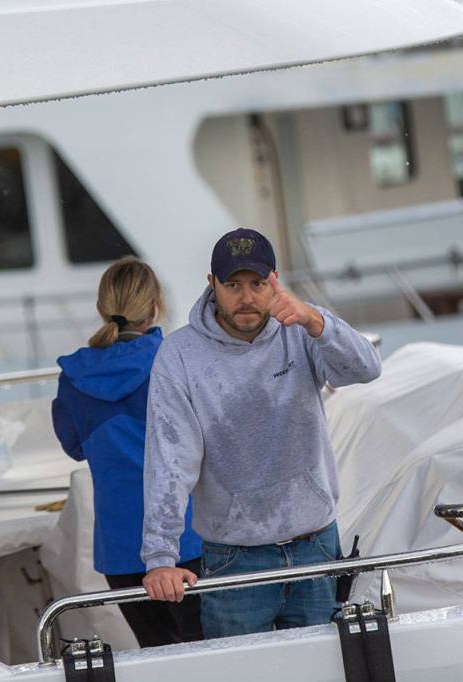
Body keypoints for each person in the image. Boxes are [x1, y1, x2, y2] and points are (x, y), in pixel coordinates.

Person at [140, 228, 381, 638]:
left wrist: (315, 320)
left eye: (257, 283)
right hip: (235, 558)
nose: (246, 297)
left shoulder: (303, 327)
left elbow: (367, 369)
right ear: (211, 284)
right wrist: (161, 556)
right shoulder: (178, 355)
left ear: (275, 281)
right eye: (233, 284)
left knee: (323, 672)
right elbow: (169, 460)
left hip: (317, 547)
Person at [52, 256, 204, 647]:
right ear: (155, 308)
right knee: (211, 652)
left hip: (119, 549)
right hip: (185, 539)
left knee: (158, 657)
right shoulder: (173, 361)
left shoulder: (74, 378)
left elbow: (73, 446)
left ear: (104, 308)